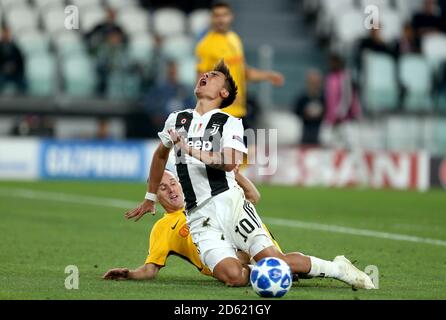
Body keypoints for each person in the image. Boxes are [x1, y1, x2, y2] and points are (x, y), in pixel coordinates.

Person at [123, 60, 375, 289]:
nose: (206, 75)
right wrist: (150, 197)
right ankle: (270, 274)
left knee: (276, 262)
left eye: (213, 76)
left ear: (223, 93)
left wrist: (190, 149)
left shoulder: (229, 121)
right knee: (234, 277)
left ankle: (336, 268)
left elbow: (230, 161)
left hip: (231, 204)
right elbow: (160, 156)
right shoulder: (175, 120)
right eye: (205, 73)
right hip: (198, 216)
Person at [103, 169, 280, 280]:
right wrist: (129, 274)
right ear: (155, 197)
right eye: (163, 188)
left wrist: (234, 174)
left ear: (180, 184)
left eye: (173, 183)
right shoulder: (162, 228)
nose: (172, 189)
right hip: (226, 263)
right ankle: (272, 270)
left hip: (252, 243)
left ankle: (278, 265)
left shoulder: (204, 198)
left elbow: (253, 197)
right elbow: (150, 269)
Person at [195, 1, 284, 120]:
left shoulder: (234, 39)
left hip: (239, 111)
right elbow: (201, 84)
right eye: (217, 15)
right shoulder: (206, 45)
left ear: (231, 16)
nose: (221, 19)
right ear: (211, 18)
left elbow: (244, 72)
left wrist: (268, 75)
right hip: (218, 114)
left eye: (224, 15)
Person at [143, 60, 195, 135]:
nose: (172, 73)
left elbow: (191, 107)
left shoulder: (184, 89)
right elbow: (150, 105)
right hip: (161, 128)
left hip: (182, 128)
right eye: (171, 71)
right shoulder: (158, 89)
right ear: (166, 72)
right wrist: (157, 117)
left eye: (174, 71)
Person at [293, 69, 326, 146]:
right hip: (305, 130)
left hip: (320, 131)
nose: (314, 85)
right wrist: (305, 113)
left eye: (316, 82)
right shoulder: (302, 98)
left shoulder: (324, 99)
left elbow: (329, 113)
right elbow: (296, 111)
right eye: (312, 82)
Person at [0, 27, 26, 93]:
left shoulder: (15, 47)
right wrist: (4, 68)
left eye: (7, 33)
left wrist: (14, 68)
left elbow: (20, 61)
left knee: (23, 83)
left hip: (15, 73)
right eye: (4, 33)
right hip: (2, 73)